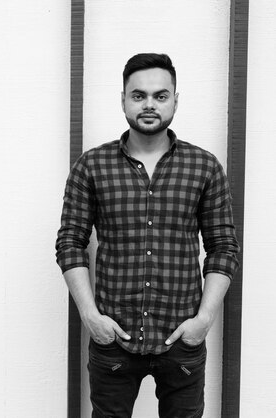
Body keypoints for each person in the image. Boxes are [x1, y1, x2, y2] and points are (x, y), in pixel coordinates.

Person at [55, 53, 239, 418]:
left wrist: (202, 320)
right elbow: (70, 243)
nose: (149, 104)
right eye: (138, 95)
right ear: (123, 99)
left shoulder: (204, 166)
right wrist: (91, 316)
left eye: (160, 95)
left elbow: (223, 248)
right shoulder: (92, 165)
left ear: (174, 99)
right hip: (114, 339)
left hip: (182, 337)